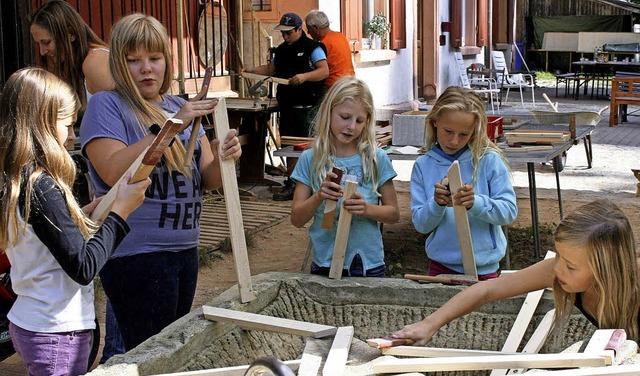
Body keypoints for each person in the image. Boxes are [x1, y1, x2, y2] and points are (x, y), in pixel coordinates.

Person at [80, 14, 242, 351]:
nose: (146, 69)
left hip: (184, 250)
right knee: (149, 354)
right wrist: (170, 127)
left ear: (167, 61)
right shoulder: (107, 105)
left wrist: (224, 155)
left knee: (167, 350)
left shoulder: (179, 105)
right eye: (133, 61)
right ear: (119, 65)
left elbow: (205, 178)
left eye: (154, 58)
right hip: (137, 254)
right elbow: (113, 170)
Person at [0, 67, 148, 375]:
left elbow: (51, 240)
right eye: (68, 125)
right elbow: (83, 266)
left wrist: (86, 214)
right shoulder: (42, 186)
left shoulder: (21, 179)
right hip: (55, 331)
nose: (72, 135)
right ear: (45, 123)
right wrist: (120, 213)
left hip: (40, 323)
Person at [393, 199, 640, 344]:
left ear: (605, 270)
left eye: (571, 266)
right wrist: (429, 324)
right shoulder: (559, 270)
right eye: (559, 255)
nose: (557, 268)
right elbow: (488, 290)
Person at [290, 76, 399, 277]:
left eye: (359, 121)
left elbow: (393, 214)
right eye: (345, 117)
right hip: (325, 260)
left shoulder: (376, 158)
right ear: (329, 112)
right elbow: (297, 219)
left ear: (367, 121)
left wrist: (366, 208)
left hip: (367, 263)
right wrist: (318, 197)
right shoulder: (311, 159)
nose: (351, 127)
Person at [411, 86, 517, 280]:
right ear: (435, 122)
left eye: (463, 134)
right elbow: (420, 224)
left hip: (483, 267)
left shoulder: (488, 160)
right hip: (441, 266)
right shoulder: (423, 165)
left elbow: (509, 212)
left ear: (474, 131)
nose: (454, 141)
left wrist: (476, 202)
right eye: (448, 131)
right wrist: (436, 204)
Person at [243, 12, 329, 201]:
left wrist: (304, 77)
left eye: (289, 32)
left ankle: (312, 183)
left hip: (309, 105)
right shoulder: (281, 50)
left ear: (299, 29)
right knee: (290, 146)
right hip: (288, 105)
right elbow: (271, 69)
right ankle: (292, 182)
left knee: (309, 146)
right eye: (283, 33)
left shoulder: (313, 48)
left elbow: (324, 71)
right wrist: (252, 71)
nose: (285, 36)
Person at [30, 0, 115, 110]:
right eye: (39, 44)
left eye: (46, 42)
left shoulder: (95, 61)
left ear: (70, 34)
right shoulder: (70, 64)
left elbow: (118, 115)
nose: (42, 52)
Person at [304, 10, 355, 90]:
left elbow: (319, 71)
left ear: (315, 28)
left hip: (334, 87)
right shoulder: (341, 36)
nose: (308, 33)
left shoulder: (322, 45)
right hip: (350, 83)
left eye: (309, 30)